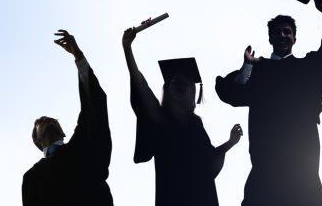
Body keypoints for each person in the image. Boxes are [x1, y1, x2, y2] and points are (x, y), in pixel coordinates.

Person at [215, 0, 322, 206]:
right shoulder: (259, 70)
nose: (282, 35)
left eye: (287, 32)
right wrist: (248, 66)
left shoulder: (307, 68)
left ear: (295, 38)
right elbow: (232, 93)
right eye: (277, 32)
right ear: (270, 39)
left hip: (302, 163)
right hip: (266, 165)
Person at [122, 27, 242, 206]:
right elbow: (141, 86)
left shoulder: (195, 123)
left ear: (192, 92)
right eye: (176, 83)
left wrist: (230, 142)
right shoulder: (160, 118)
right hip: (173, 195)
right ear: (167, 88)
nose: (181, 87)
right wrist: (127, 48)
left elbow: (208, 161)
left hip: (203, 196)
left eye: (186, 85)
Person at [22, 30, 114, 206]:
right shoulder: (32, 178)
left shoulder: (81, 147)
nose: (48, 121)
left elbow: (93, 107)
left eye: (53, 120)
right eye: (41, 122)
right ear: (37, 140)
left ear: (63, 132)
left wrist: (78, 56)